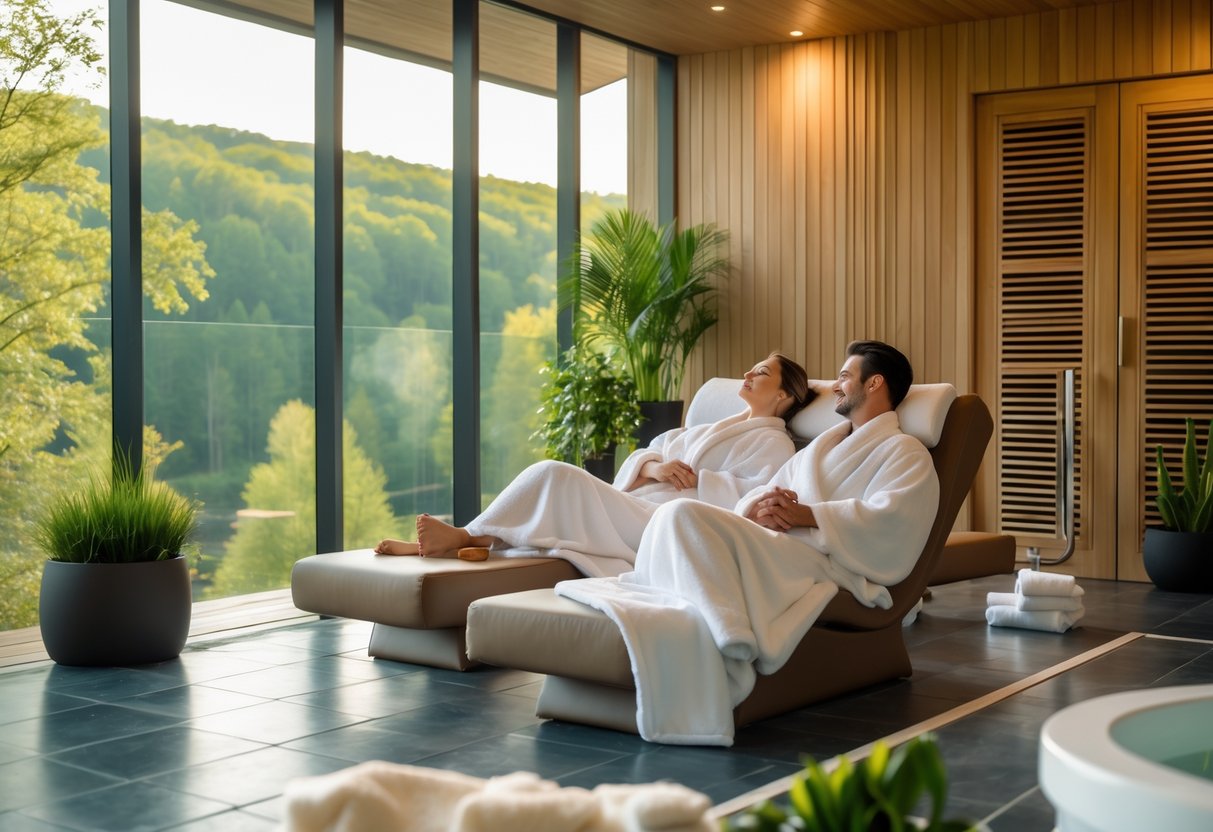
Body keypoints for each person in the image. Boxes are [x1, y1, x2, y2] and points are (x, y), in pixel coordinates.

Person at [556, 340, 941, 745]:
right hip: (775, 543)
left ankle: (730, 647)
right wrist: (757, 508)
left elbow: (893, 521)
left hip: (825, 562)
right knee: (675, 516)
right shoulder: (821, 447)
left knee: (681, 514)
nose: (837, 386)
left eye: (845, 376)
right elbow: (766, 493)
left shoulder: (905, 453)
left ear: (875, 382)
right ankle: (720, 631)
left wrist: (809, 516)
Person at [374, 352, 813, 577]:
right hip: (640, 503)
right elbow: (656, 447)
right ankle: (464, 539)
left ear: (784, 395)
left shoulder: (774, 446)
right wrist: (654, 468)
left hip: (666, 524)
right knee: (557, 478)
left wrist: (702, 481)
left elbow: (750, 504)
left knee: (556, 473)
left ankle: (466, 536)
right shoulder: (715, 425)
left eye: (761, 372)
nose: (748, 375)